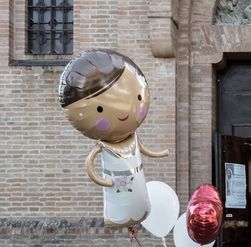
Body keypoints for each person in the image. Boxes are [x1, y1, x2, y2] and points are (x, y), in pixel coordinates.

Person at [59, 49, 169, 228]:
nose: (122, 113)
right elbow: (90, 166)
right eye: (99, 110)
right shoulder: (104, 146)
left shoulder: (133, 137)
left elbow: (144, 149)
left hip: (137, 185)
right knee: (120, 207)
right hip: (117, 189)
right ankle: (120, 218)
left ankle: (141, 211)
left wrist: (159, 153)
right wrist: (105, 181)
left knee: (140, 200)